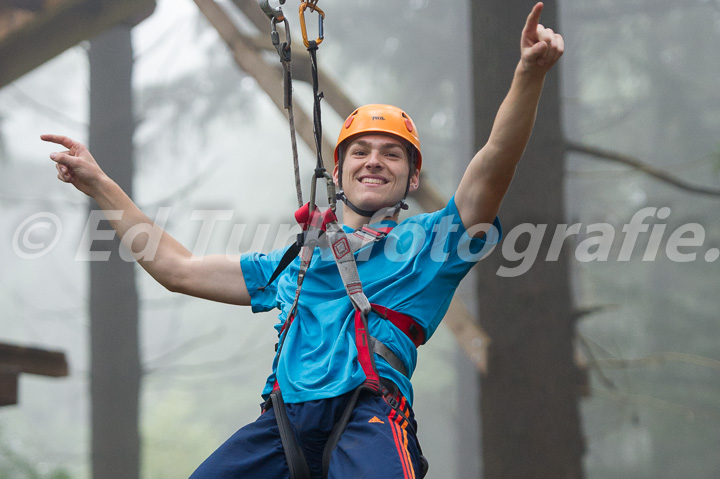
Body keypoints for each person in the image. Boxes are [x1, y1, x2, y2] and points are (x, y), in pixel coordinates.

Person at [42, 3, 563, 478]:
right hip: (282, 424)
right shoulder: (295, 262)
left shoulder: (434, 244)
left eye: (391, 153)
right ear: (339, 173)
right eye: (359, 151)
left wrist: (528, 73)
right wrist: (99, 184)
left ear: (410, 178)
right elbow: (175, 268)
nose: (374, 160)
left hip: (370, 413)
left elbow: (496, 158)